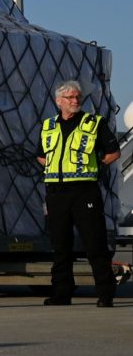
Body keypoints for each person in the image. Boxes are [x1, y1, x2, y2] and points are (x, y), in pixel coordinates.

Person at [36, 80, 120, 307]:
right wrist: (56, 167)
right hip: (56, 192)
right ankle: (62, 293)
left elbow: (114, 152)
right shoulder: (48, 126)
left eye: (78, 98)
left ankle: (105, 293)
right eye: (70, 98)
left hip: (84, 191)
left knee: (95, 244)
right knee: (60, 245)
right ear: (58, 101)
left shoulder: (94, 123)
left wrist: (96, 165)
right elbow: (41, 156)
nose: (75, 101)